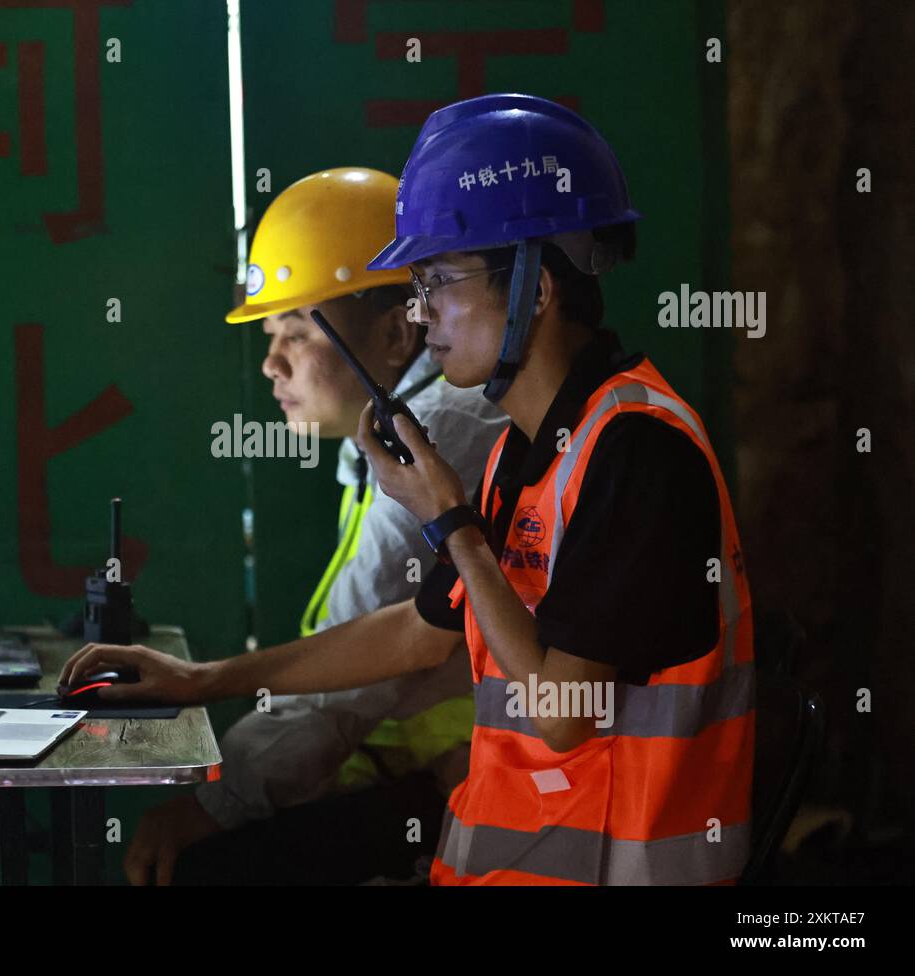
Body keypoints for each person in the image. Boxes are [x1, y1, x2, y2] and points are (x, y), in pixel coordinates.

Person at [67, 94, 755, 885]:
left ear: (535, 290)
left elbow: (565, 715)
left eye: (439, 280)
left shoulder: (638, 448)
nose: (420, 313)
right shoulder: (529, 450)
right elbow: (418, 632)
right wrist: (205, 679)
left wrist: (452, 522)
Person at [125, 167, 506, 885]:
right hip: (423, 774)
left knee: (206, 866)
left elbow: (347, 690)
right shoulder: (388, 433)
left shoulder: (432, 431)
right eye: (270, 334)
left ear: (397, 333)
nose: (271, 364)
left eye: (296, 333)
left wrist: (216, 804)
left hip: (468, 786)